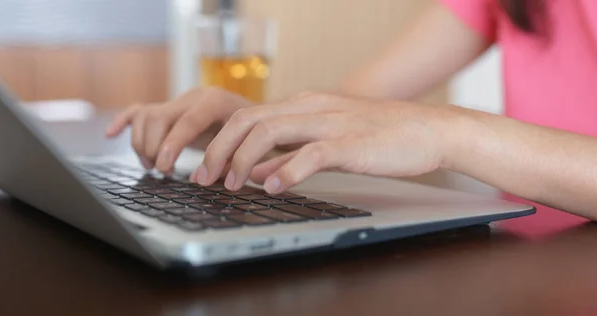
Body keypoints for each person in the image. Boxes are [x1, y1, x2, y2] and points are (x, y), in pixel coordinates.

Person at [105, 0, 597, 231]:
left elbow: (424, 127)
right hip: (533, 259)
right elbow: (354, 104)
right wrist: (260, 123)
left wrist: (450, 131)